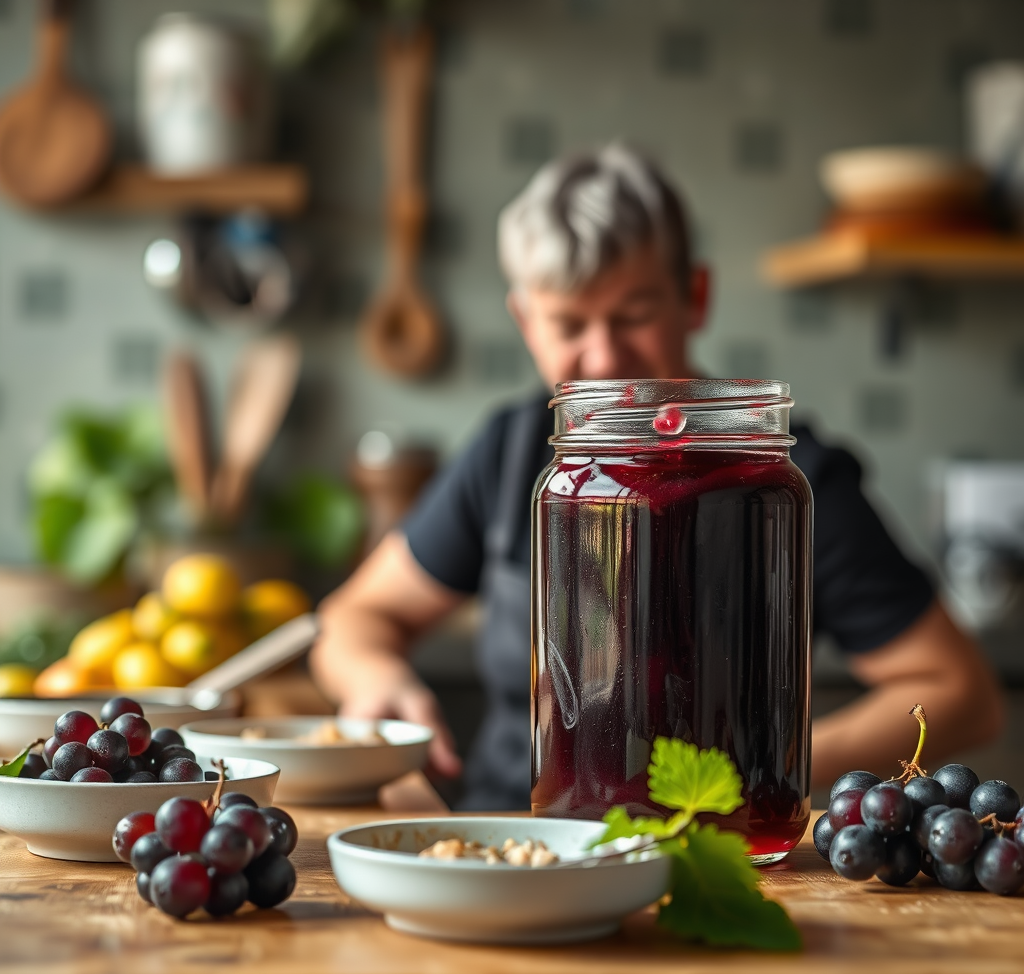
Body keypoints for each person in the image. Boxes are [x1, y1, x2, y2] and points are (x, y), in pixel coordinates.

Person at [311, 143, 1004, 808]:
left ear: (694, 296)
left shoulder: (780, 478)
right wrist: (377, 679)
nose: (604, 358)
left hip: (706, 835)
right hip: (523, 833)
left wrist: (764, 772)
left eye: (634, 314)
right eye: (568, 324)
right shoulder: (512, 450)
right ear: (525, 320)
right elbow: (355, 617)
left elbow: (960, 692)